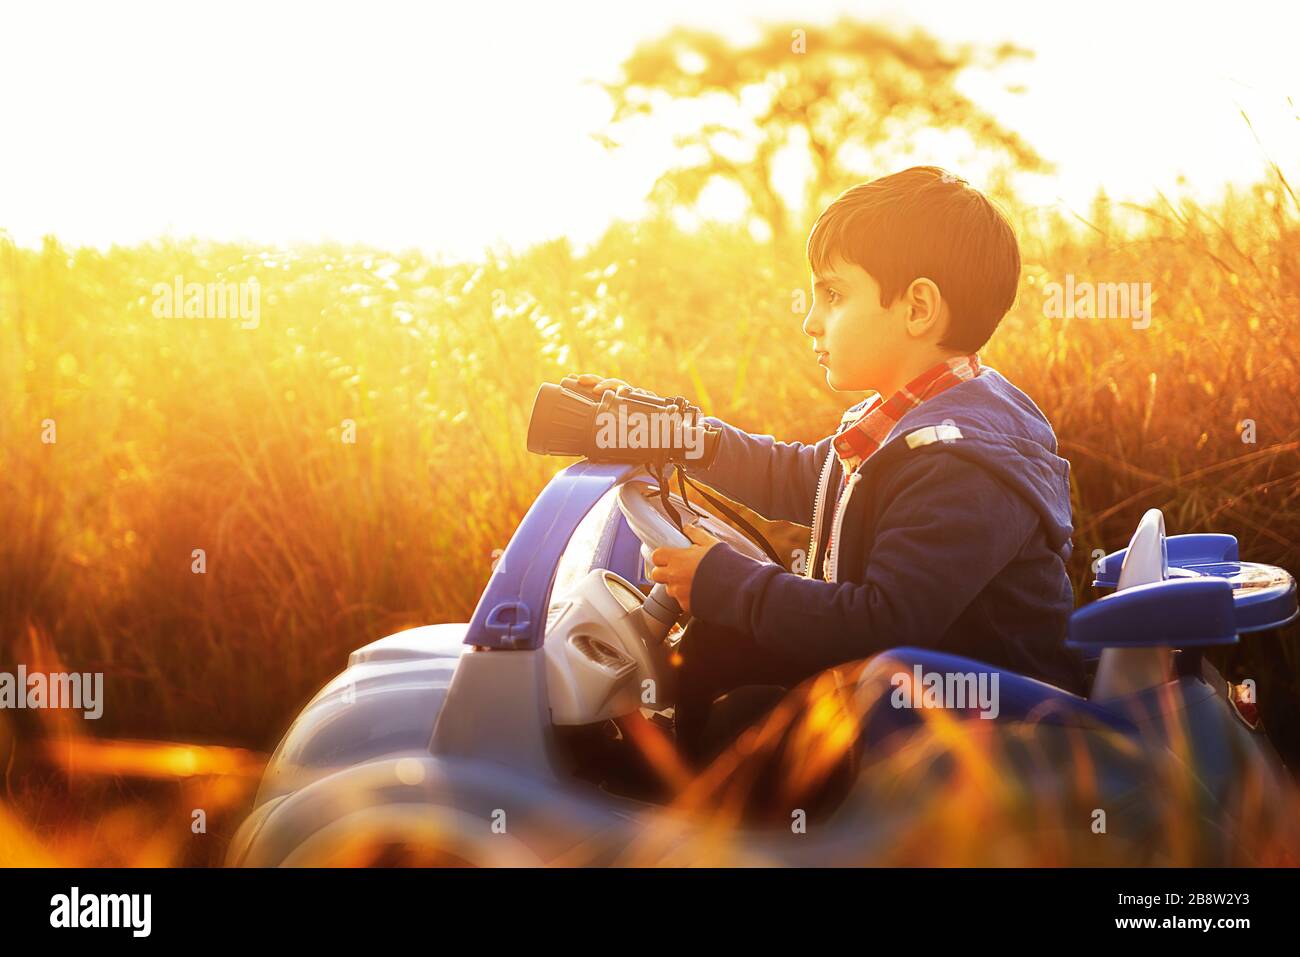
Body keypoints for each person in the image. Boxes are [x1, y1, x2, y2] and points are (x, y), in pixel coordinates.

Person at [572, 165, 1088, 765]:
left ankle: (688, 820)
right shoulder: (904, 419)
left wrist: (723, 581)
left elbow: (882, 621)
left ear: (918, 308)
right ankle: (666, 772)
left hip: (982, 736)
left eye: (834, 295)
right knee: (721, 646)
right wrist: (681, 437)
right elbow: (797, 477)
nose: (809, 320)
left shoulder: (960, 461)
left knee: (746, 719)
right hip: (901, 695)